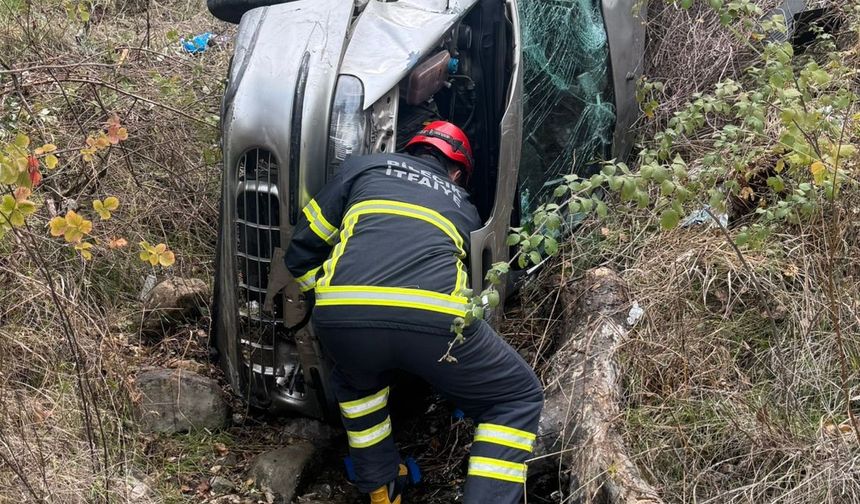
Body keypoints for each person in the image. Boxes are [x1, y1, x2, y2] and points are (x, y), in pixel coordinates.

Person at [284, 121, 543, 504]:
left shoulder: (364, 167)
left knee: (357, 386)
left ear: (411, 149)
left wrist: (325, 299)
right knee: (517, 397)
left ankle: (381, 490)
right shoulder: (463, 204)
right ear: (457, 173)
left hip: (344, 316)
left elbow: (301, 250)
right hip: (434, 319)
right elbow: (471, 289)